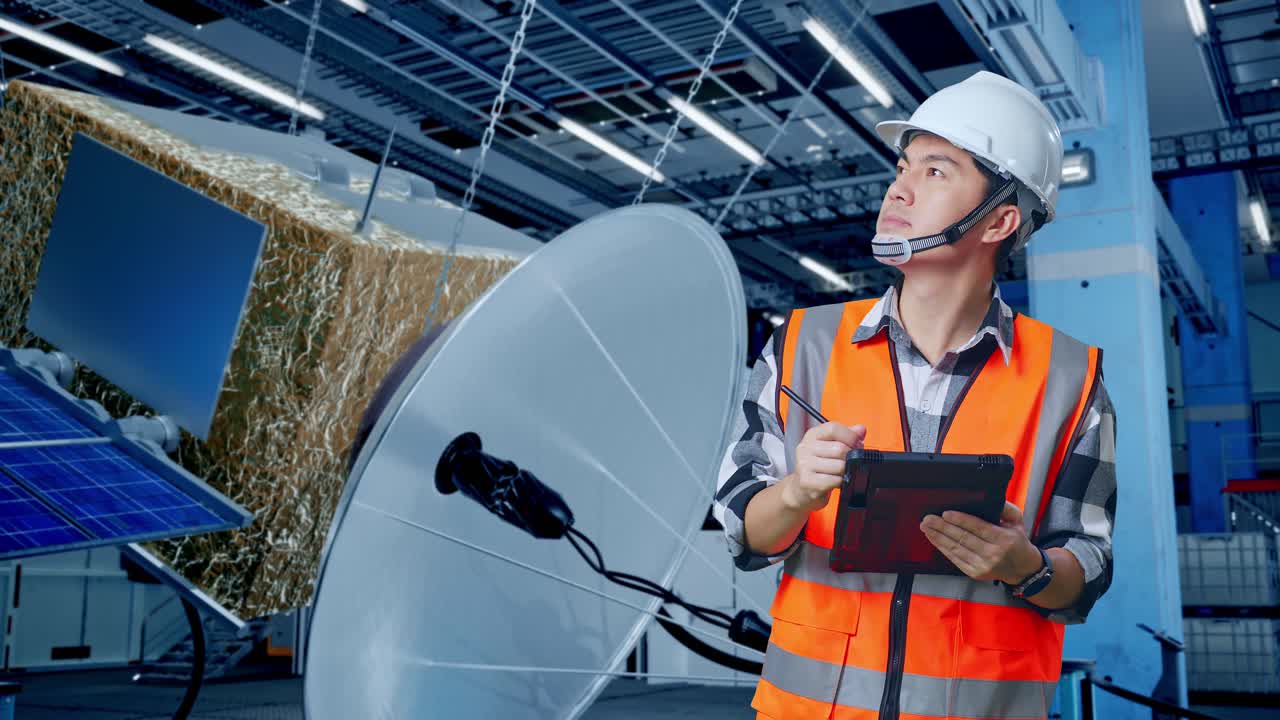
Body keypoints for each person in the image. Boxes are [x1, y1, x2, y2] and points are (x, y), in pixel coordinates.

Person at [713, 71, 1116, 720]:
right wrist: (794, 494)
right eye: (903, 166)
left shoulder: (1069, 378)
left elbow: (1087, 570)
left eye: (935, 171)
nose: (897, 187)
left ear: (1000, 221)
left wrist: (1025, 565)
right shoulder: (800, 346)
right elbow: (742, 533)